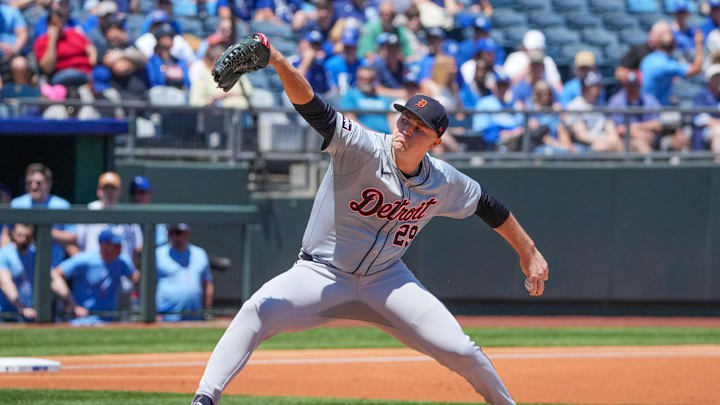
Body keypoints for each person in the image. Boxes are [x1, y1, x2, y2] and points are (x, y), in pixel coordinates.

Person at [190, 36, 549, 405]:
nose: (406, 130)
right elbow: (314, 108)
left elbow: (489, 206)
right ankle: (204, 398)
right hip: (321, 273)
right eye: (405, 119)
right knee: (256, 311)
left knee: (463, 351)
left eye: (418, 128)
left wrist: (529, 252)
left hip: (387, 281)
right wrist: (279, 61)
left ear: (436, 142)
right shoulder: (361, 147)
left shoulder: (444, 180)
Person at [51, 228, 140, 321]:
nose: (120, 248)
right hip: (83, 319)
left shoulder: (122, 261)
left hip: (109, 320)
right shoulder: (85, 260)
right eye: (116, 245)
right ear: (104, 245)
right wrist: (71, 303)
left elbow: (137, 279)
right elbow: (56, 274)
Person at [3, 163, 77, 266]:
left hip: (52, 267)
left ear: (49, 183)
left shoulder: (62, 205)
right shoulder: (17, 204)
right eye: (29, 183)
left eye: (38, 183)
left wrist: (43, 231)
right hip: (21, 268)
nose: (33, 186)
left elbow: (73, 237)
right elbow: (6, 233)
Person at [155, 223, 213, 321]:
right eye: (170, 233)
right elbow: (147, 285)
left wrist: (207, 311)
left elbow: (207, 284)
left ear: (187, 233)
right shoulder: (158, 254)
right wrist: (153, 313)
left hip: (195, 315)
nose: (174, 236)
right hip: (166, 316)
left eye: (178, 233)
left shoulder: (200, 253)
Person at [640, 24, 703, 105]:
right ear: (674, 46)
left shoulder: (647, 59)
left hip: (644, 108)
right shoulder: (666, 65)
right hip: (654, 111)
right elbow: (697, 69)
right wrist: (699, 44)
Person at [565, 71, 623, 152]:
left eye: (599, 86)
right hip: (588, 146)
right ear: (584, 87)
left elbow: (611, 129)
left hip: (606, 143)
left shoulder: (602, 106)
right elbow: (582, 136)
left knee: (629, 144)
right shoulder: (574, 106)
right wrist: (607, 141)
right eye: (593, 86)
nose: (597, 89)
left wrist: (613, 141)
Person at [607, 70, 662, 154]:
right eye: (629, 86)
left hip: (649, 137)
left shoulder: (649, 100)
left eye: (634, 86)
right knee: (641, 145)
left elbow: (658, 125)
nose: (631, 89)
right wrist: (639, 134)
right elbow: (619, 129)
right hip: (624, 141)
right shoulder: (616, 101)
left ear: (640, 86)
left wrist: (637, 128)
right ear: (624, 86)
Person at [339, 65, 393, 133]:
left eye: (370, 79)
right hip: (363, 137)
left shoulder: (382, 97)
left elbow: (391, 119)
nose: (366, 82)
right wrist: (374, 135)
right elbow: (350, 120)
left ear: (375, 80)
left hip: (387, 138)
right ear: (357, 79)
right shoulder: (350, 96)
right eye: (362, 79)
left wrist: (394, 135)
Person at [0, 223, 36, 320]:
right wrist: (21, 307)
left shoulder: (35, 253)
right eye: (20, 235)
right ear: (13, 234)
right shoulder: (4, 253)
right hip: (8, 315)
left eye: (27, 236)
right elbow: (5, 283)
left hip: (31, 313)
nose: (23, 239)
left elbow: (53, 278)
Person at [692, 63, 720, 161]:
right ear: (709, 81)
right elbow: (700, 119)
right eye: (715, 78)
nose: (718, 81)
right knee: (718, 132)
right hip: (706, 132)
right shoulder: (702, 96)